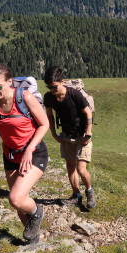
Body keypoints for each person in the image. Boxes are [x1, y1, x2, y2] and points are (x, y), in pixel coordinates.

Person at [0, 64, 49, 244]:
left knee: (16, 198)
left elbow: (44, 124)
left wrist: (29, 149)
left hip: (34, 153)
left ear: (10, 82)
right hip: (10, 155)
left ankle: (37, 211)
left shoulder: (25, 97)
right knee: (18, 204)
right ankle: (33, 241)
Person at [43, 66, 96, 208]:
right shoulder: (49, 97)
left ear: (62, 81)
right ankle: (76, 195)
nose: (51, 90)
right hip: (66, 135)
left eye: (54, 87)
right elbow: (49, 115)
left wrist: (89, 133)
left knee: (81, 169)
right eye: (48, 87)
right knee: (70, 167)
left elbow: (88, 113)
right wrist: (53, 133)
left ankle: (89, 191)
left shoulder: (74, 94)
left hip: (82, 135)